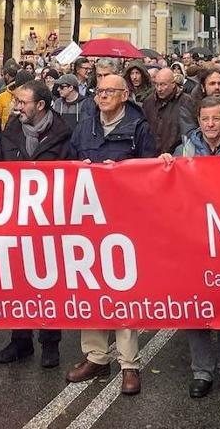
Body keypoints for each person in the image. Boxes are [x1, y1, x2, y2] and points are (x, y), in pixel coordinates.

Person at [158, 97, 220, 399]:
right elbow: (169, 188)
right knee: (195, 304)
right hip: (193, 237)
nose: (209, 125)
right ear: (198, 120)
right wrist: (165, 167)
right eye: (204, 119)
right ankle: (201, 370)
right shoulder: (185, 149)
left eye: (215, 119)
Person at [66, 73, 155, 396]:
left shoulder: (138, 128)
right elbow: (69, 163)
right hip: (90, 218)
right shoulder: (85, 125)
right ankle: (96, 356)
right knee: (91, 285)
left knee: (122, 287)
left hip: (124, 220)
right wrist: (82, 167)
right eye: (99, 91)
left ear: (123, 95)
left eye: (108, 92)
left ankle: (129, 363)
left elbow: (150, 171)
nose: (102, 96)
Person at [0, 80, 73, 367]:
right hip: (17, 218)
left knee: (49, 280)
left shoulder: (64, 133)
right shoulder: (12, 129)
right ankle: (19, 340)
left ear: (41, 105)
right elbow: (0, 166)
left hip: (51, 220)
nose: (16, 106)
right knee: (17, 279)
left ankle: (50, 342)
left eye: (22, 102)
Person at [143, 67, 196, 156]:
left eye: (163, 84)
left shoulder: (186, 102)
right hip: (151, 158)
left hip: (175, 157)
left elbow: (190, 132)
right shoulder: (148, 102)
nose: (159, 89)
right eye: (156, 84)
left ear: (173, 84)